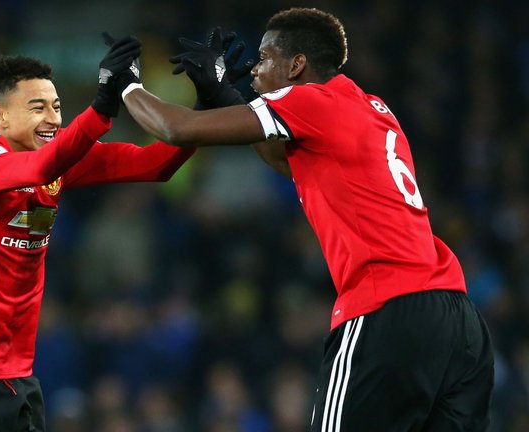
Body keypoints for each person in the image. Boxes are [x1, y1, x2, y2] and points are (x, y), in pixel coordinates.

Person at [113, 7, 494, 431]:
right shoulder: (371, 108)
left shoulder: (311, 100)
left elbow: (175, 129)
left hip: (387, 307)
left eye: (263, 57)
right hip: (457, 320)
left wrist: (125, 85)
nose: (255, 68)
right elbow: (290, 162)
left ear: (296, 65)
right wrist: (226, 94)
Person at [0, 38, 194, 431]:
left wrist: (204, 111)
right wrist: (101, 110)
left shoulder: (57, 158)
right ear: (0, 117)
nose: (53, 119)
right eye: (38, 107)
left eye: (57, 107)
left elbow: (154, 165)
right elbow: (39, 169)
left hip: (16, 372)